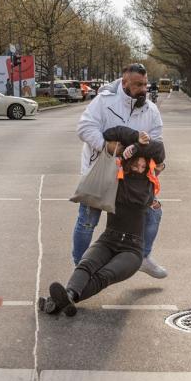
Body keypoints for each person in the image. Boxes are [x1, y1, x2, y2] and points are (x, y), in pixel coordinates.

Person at [45, 126, 165, 316]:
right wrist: (133, 139)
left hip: (132, 251)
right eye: (136, 165)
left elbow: (159, 151)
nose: (140, 169)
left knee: (104, 275)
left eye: (143, 166)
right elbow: (110, 133)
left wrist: (138, 145)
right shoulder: (116, 177)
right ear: (127, 163)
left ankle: (61, 300)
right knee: (85, 264)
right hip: (108, 240)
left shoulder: (150, 181)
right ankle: (67, 297)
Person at [76, 63, 167, 278]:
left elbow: (158, 141)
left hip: (134, 176)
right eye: (138, 84)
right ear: (124, 83)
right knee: (88, 220)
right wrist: (109, 147)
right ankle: (79, 268)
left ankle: (143, 257)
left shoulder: (151, 110)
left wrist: (158, 163)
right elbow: (84, 128)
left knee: (153, 213)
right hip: (102, 171)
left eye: (145, 84)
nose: (143, 89)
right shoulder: (104, 101)